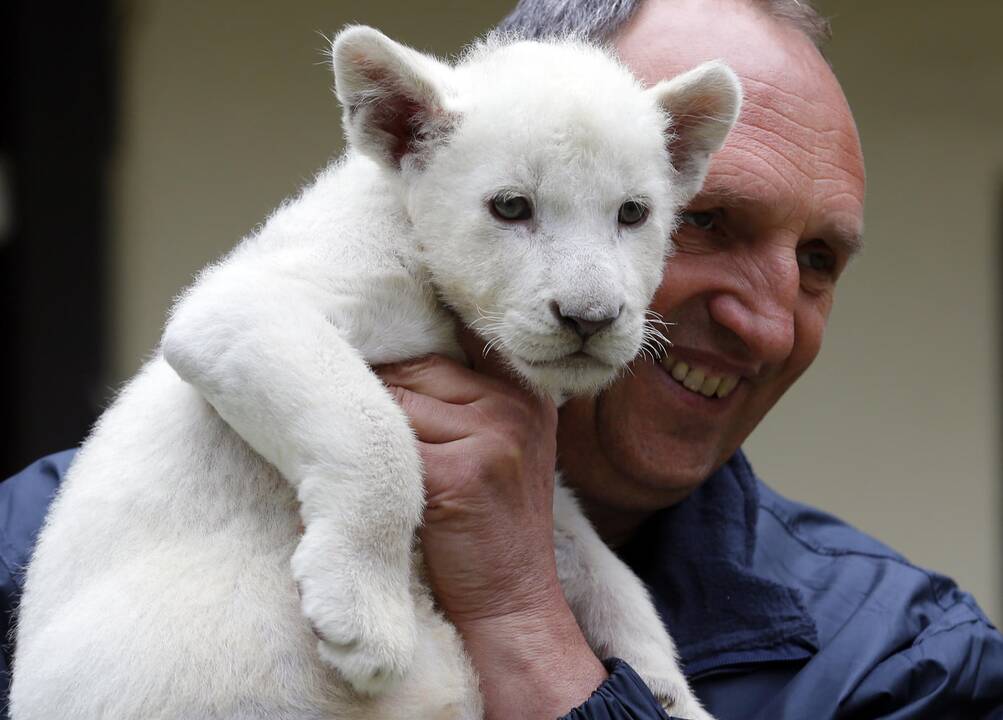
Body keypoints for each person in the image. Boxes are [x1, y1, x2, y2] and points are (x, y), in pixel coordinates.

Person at [2, 1, 1001, 719]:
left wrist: (524, 615)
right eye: (709, 223)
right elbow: (224, 325)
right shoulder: (31, 535)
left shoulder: (911, 665)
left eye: (818, 260)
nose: (768, 325)